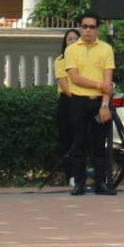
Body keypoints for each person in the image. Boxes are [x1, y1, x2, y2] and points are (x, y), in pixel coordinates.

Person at [63, 12, 116, 196]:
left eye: (92, 27)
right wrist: (98, 85)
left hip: (98, 102)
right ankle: (79, 183)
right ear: (79, 27)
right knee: (78, 143)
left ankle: (100, 184)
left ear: (97, 29)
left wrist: (104, 105)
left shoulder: (106, 49)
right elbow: (75, 78)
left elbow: (108, 79)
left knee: (99, 144)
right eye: (84, 26)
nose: (87, 30)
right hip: (78, 101)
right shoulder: (71, 50)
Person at [53, 29, 80, 167]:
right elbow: (64, 85)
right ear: (65, 42)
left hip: (84, 100)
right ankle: (69, 174)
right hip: (69, 101)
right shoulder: (60, 60)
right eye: (70, 39)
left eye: (76, 38)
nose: (73, 41)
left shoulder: (85, 58)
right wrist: (78, 98)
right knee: (67, 138)